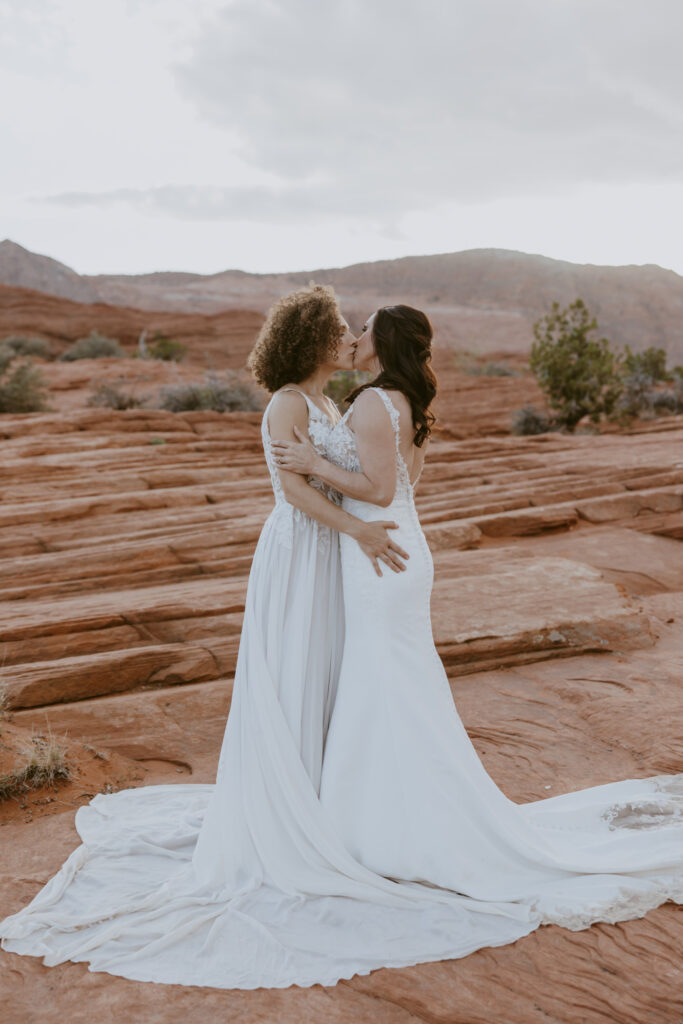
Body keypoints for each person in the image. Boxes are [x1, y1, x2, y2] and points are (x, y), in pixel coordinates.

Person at [2, 298, 681, 993]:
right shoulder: (294, 406)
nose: (347, 338)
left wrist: (351, 516)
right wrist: (353, 522)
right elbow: (296, 494)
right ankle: (335, 808)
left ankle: (364, 817)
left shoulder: (342, 404)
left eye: (354, 331)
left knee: (357, 681)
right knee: (315, 673)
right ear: (308, 341)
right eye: (336, 331)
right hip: (308, 553)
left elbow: (380, 484)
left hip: (353, 554)